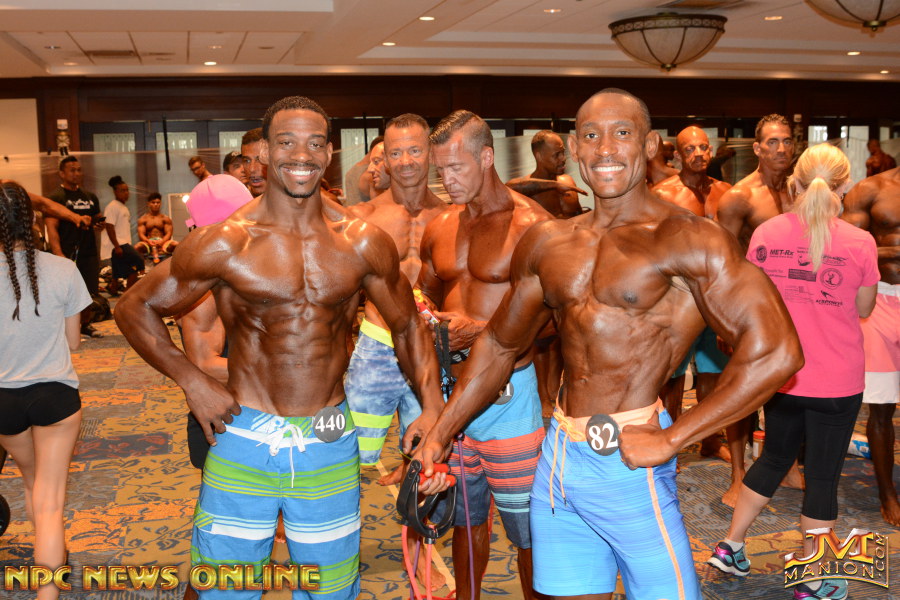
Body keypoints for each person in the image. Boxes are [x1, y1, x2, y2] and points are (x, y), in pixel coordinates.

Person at [415, 89, 802, 600]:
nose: (605, 149)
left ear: (650, 145)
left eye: (622, 133)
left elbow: (778, 352)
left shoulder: (688, 238)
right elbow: (500, 346)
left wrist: (674, 437)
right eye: (591, 136)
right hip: (558, 461)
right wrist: (441, 432)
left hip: (630, 461)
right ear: (575, 148)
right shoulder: (548, 241)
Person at [114, 96, 446, 600]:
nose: (302, 155)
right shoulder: (227, 241)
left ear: (329, 153)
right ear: (265, 153)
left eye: (315, 144)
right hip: (243, 432)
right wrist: (193, 381)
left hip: (328, 438)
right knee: (226, 588)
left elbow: (407, 327)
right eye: (287, 142)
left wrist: (433, 406)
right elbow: (133, 307)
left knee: (330, 588)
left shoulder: (362, 242)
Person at [708, 143, 878, 600]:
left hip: (783, 375)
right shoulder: (861, 241)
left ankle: (731, 545)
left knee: (774, 458)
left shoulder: (766, 233)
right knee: (822, 477)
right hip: (837, 381)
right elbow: (864, 308)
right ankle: (815, 579)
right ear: (845, 185)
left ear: (794, 183)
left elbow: (753, 302)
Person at [416, 109, 551, 600]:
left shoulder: (532, 227)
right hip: (452, 397)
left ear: (487, 157)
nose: (447, 181)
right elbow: (423, 295)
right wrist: (429, 320)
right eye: (441, 170)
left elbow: (557, 318)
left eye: (457, 167)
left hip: (509, 399)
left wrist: (482, 332)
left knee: (528, 531)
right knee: (465, 520)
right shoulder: (440, 226)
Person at [0, 180, 92, 600]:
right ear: (33, 218)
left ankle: (50, 557)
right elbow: (74, 343)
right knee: (50, 501)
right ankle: (48, 591)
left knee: (33, 481)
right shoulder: (63, 269)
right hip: (55, 396)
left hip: (4, 400)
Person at [346, 114, 446, 473]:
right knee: (352, 456)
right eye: (395, 153)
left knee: (427, 457)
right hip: (377, 343)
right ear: (384, 159)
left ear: (431, 153)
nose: (405, 161)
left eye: (414, 150)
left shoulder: (452, 216)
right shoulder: (363, 217)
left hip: (433, 347)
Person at [716, 113, 798, 505]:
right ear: (757, 148)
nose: (781, 149)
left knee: (792, 385)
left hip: (797, 304)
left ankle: (787, 462)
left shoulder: (803, 192)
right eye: (773, 142)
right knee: (744, 390)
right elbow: (723, 261)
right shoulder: (740, 197)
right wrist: (724, 320)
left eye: (787, 141)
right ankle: (737, 474)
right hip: (751, 305)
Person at [652, 126, 733, 462]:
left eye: (703, 147)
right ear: (678, 155)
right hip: (678, 297)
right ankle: (667, 444)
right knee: (670, 377)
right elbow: (648, 246)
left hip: (716, 296)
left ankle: (710, 440)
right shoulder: (662, 194)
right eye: (690, 149)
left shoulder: (727, 193)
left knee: (714, 375)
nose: (699, 154)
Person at [842, 165, 900, 527]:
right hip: (881, 299)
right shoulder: (871, 189)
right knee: (882, 408)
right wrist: (893, 250)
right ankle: (886, 493)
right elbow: (847, 246)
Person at [44, 156, 106, 338]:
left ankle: (85, 324)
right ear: (62, 174)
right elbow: (51, 228)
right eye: (72, 170)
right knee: (65, 293)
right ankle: (62, 328)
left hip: (88, 252)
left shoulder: (90, 197)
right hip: (66, 252)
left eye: (79, 170)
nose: (77, 173)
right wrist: (58, 253)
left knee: (88, 292)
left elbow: (97, 220)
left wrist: (99, 224)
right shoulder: (55, 198)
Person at [506, 130, 585, 218]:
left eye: (562, 152)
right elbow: (507, 188)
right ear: (539, 156)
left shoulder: (568, 181)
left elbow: (579, 217)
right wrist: (554, 184)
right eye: (556, 155)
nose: (563, 158)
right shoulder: (525, 190)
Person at [101, 175, 144, 296]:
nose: (126, 193)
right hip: (119, 245)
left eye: (127, 190)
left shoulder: (123, 207)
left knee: (124, 271)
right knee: (139, 261)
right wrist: (116, 246)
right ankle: (127, 294)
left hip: (123, 243)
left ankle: (115, 289)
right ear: (115, 192)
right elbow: (109, 227)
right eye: (122, 190)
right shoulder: (112, 206)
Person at [136, 193, 177, 263]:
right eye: (153, 202)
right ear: (148, 204)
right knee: (137, 247)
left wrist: (162, 241)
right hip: (148, 243)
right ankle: (140, 267)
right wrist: (148, 241)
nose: (156, 204)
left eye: (158, 202)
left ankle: (176, 266)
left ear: (160, 203)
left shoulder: (165, 218)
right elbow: (141, 234)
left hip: (163, 242)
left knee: (176, 244)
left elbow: (169, 233)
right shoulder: (143, 219)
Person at [343, 136, 383, 206]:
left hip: (351, 211)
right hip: (365, 212)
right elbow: (379, 206)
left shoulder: (351, 171)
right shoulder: (372, 175)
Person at [240, 128, 267, 197]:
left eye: (260, 159)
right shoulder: (238, 201)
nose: (252, 169)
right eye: (247, 161)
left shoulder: (292, 200)